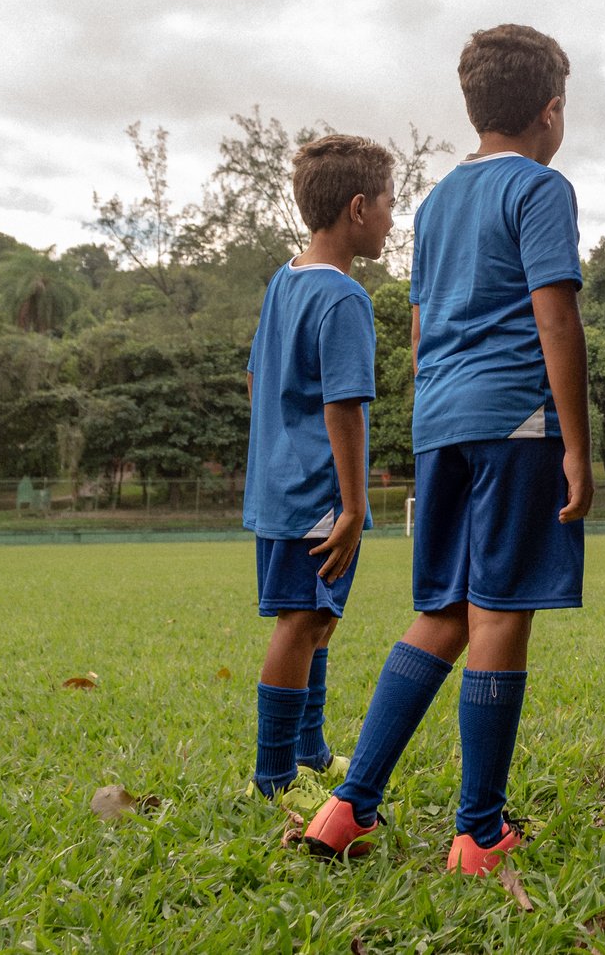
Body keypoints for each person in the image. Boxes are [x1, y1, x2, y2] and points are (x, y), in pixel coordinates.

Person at [305, 25, 595, 872]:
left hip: (440, 423)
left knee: (443, 611)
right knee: (500, 611)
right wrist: (575, 444)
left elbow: (422, 328)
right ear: (550, 112)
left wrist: (436, 412)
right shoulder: (541, 190)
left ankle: (346, 808)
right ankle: (479, 831)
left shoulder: (434, 203)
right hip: (515, 422)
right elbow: (556, 317)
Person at [241, 134, 393, 803]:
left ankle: (308, 749)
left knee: (318, 618)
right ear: (358, 209)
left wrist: (278, 442)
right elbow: (344, 411)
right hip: (314, 496)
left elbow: (256, 378)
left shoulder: (286, 279)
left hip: (279, 484)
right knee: (300, 622)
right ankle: (273, 778)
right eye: (390, 202)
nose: (394, 215)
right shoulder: (342, 299)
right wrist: (355, 506)